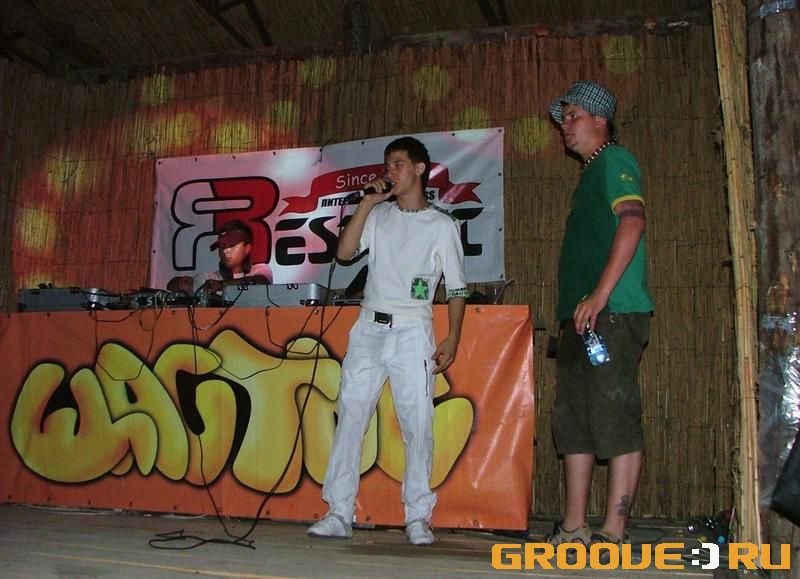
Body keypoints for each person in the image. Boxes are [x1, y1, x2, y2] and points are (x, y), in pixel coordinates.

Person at [306, 136, 468, 546]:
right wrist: (366, 204)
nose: (390, 172)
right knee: (351, 416)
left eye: (398, 164)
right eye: (387, 165)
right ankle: (339, 511)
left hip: (413, 329)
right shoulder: (378, 215)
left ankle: (418, 516)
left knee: (417, 422)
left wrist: (452, 336)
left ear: (419, 168)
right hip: (369, 327)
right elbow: (344, 254)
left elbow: (457, 288)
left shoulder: (442, 226)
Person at [547, 81, 655, 549]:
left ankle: (614, 530)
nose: (564, 125)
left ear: (600, 119)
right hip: (582, 317)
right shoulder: (590, 174)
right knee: (573, 418)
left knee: (614, 413)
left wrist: (599, 295)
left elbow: (632, 221)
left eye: (573, 115)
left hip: (611, 313)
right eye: (563, 118)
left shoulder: (615, 160)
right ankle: (574, 525)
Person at [169, 220, 273, 294]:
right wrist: (181, 284)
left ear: (247, 248)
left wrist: (222, 285)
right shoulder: (208, 278)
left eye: (231, 245)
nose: (225, 251)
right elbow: (172, 287)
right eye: (221, 246)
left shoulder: (260, 269)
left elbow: (260, 282)